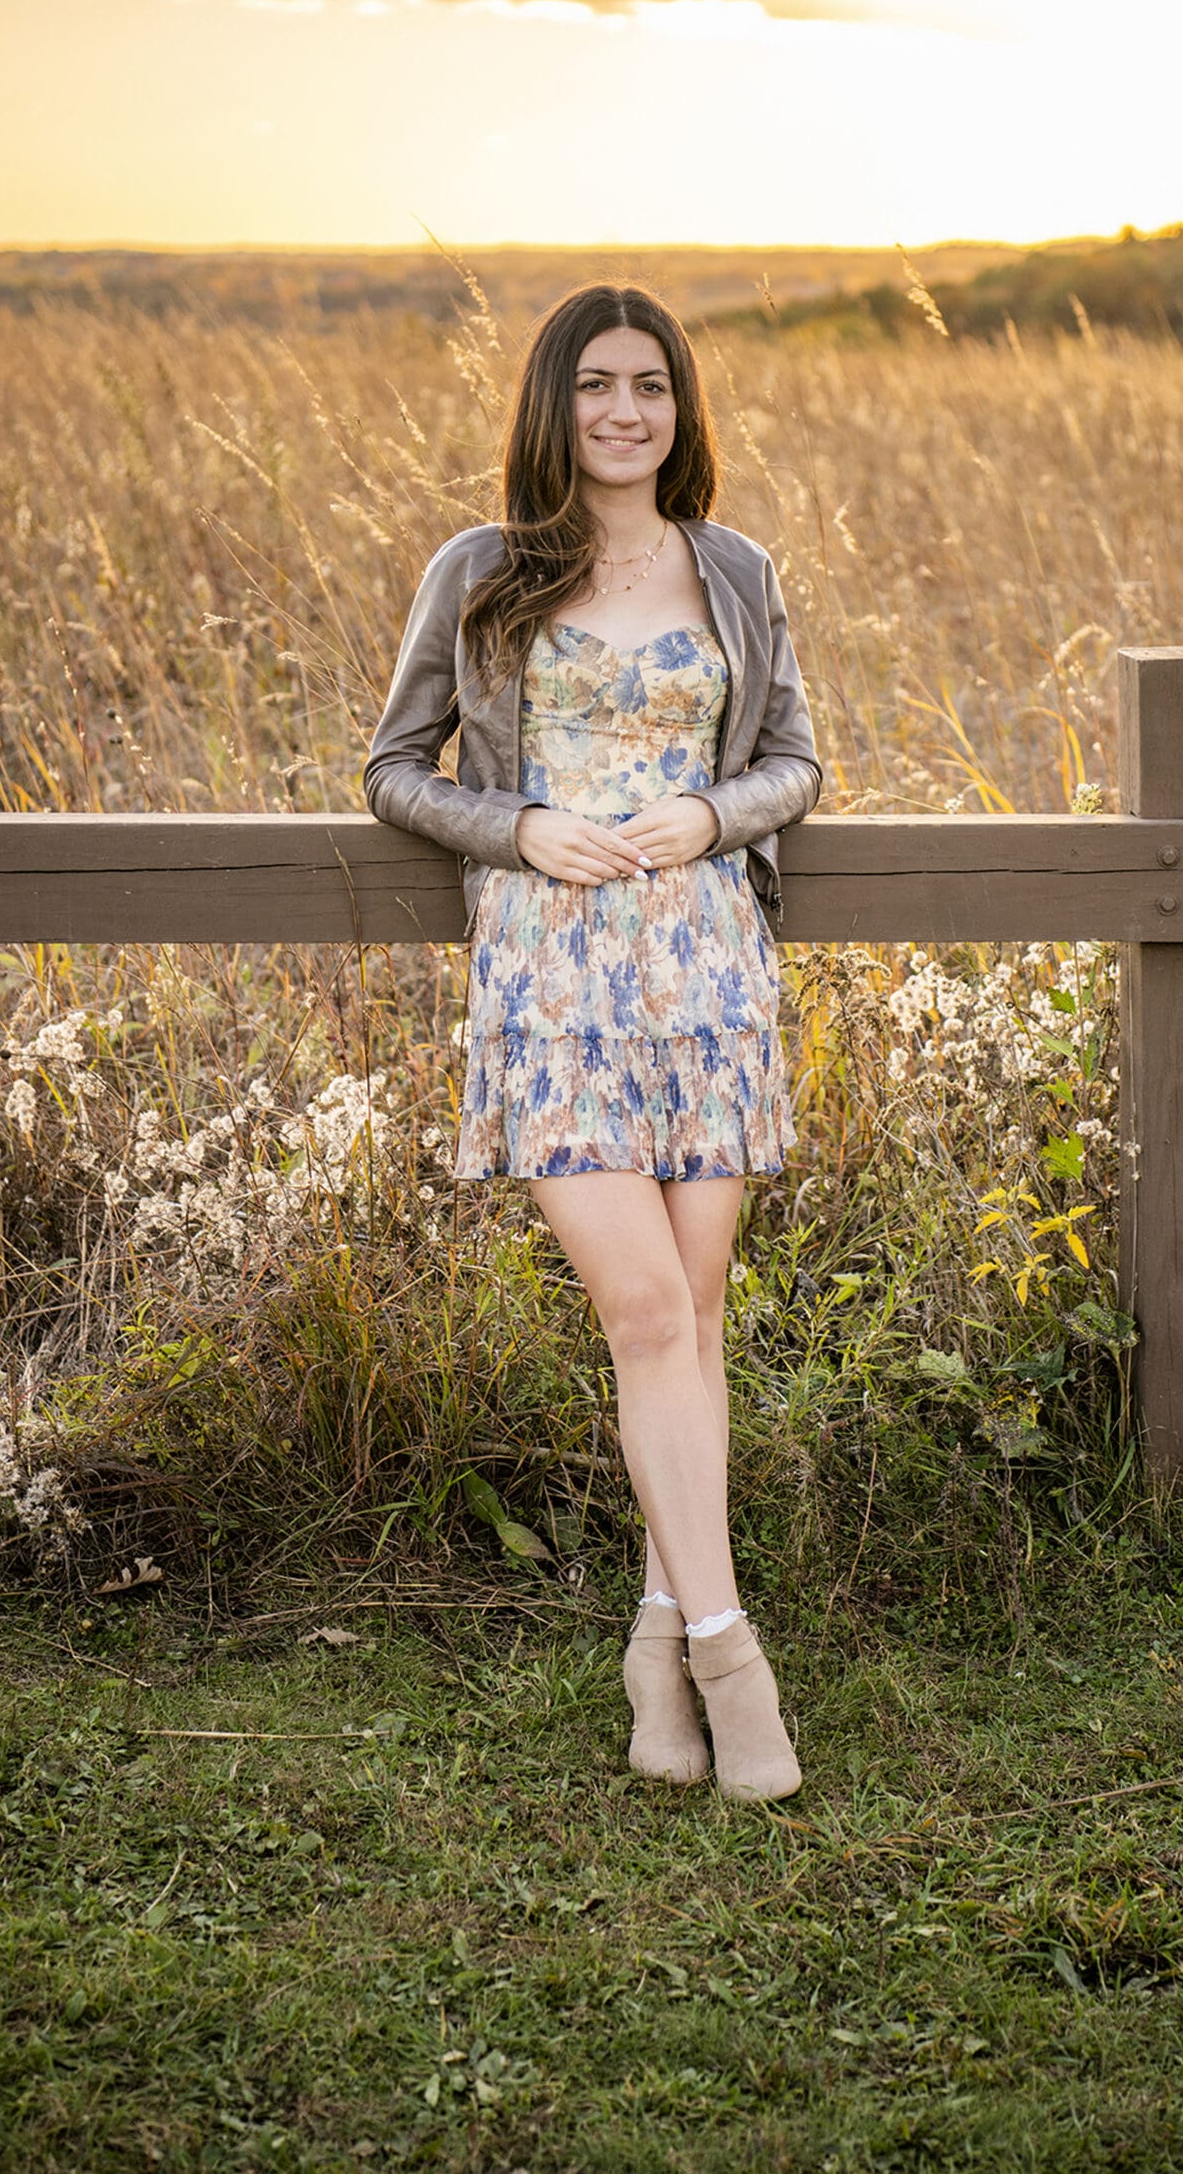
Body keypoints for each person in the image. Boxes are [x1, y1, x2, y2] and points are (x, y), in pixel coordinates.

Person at [363, 282, 822, 1803]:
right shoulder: (481, 569)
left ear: (678, 409)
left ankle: (653, 1635)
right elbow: (392, 770)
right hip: (552, 976)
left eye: (652, 386)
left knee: (691, 1321)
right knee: (639, 1309)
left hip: (706, 968)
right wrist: (523, 826)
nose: (626, 411)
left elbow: (795, 763)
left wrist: (711, 810)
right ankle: (729, 1655)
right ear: (552, 404)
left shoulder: (735, 568)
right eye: (596, 386)